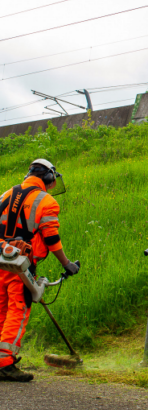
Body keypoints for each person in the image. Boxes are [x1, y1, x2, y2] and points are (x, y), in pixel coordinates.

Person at [0, 159, 79, 382]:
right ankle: (5, 363)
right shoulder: (47, 201)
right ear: (49, 178)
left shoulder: (6, 194)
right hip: (21, 263)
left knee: (1, 309)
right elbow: (51, 238)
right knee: (18, 309)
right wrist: (67, 264)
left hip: (0, 260)